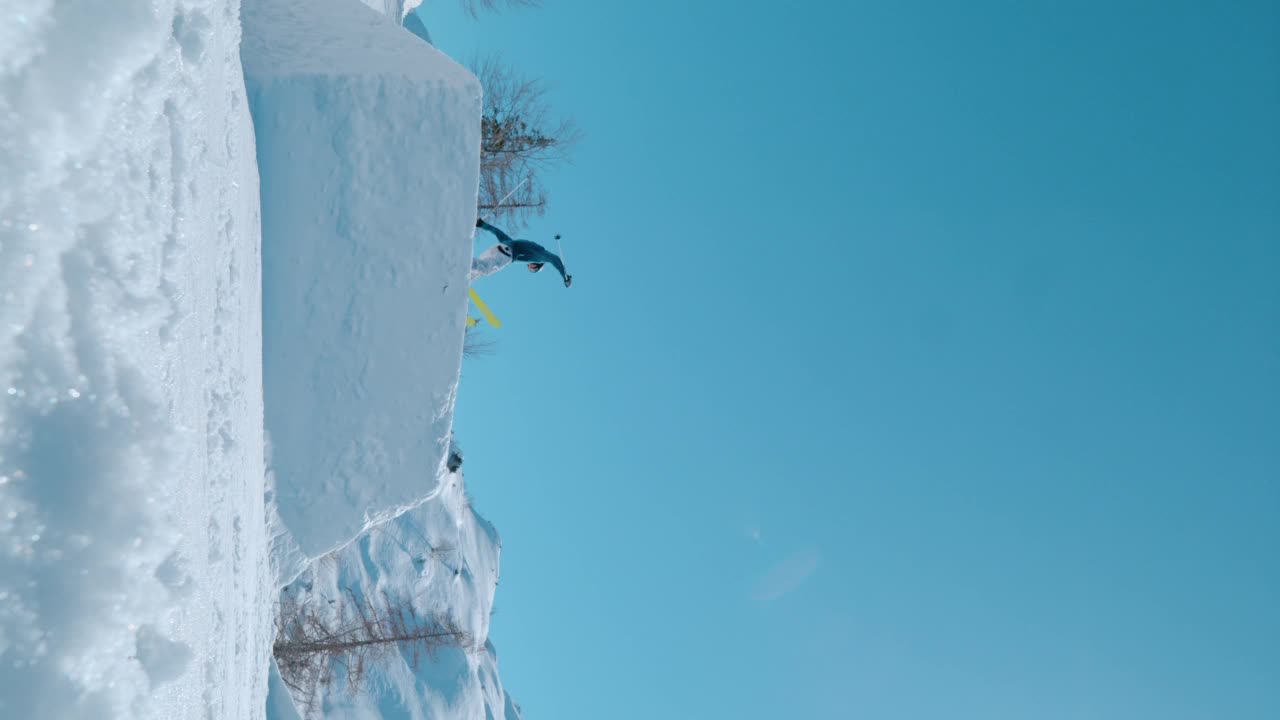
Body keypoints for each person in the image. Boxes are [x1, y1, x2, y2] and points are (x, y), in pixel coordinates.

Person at [475, 218, 572, 287]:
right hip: (507, 254)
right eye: (533, 269)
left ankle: (464, 276)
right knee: (485, 269)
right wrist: (565, 277)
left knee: (480, 269)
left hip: (497, 248)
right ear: (537, 265)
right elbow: (554, 259)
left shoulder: (514, 243)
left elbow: (498, 232)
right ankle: (464, 264)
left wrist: (482, 224)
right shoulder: (538, 255)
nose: (529, 266)